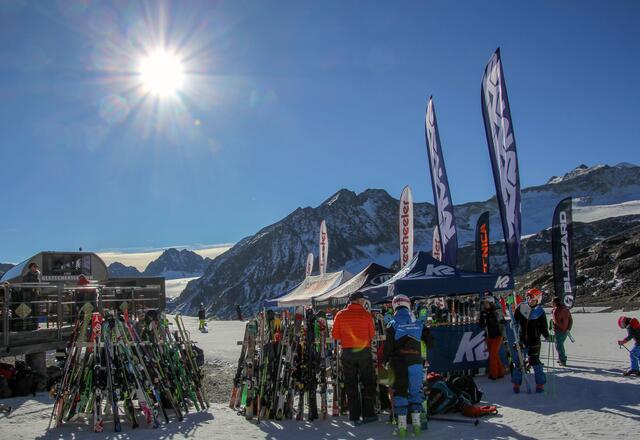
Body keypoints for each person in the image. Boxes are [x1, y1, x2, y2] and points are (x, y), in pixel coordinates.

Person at [382, 294, 430, 438]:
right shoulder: (417, 320)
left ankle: (402, 429)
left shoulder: (392, 322)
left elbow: (388, 347)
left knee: (400, 394)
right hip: (416, 363)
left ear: (394, 305)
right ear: (408, 304)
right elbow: (430, 341)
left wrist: (385, 362)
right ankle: (416, 427)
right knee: (416, 393)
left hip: (398, 365)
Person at [331, 291, 376, 425]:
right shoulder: (366, 315)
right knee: (367, 382)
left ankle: (354, 416)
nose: (363, 302)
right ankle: (368, 414)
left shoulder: (340, 314)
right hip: (364, 352)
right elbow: (372, 334)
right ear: (359, 300)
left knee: (351, 384)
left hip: (348, 352)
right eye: (362, 300)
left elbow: (335, 335)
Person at [512, 288, 550, 393]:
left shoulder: (540, 311)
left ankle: (540, 384)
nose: (529, 300)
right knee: (519, 362)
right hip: (521, 339)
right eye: (528, 298)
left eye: (532, 298)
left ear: (537, 299)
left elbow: (543, 328)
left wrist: (547, 336)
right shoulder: (522, 307)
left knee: (535, 362)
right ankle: (516, 384)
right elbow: (515, 319)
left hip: (534, 340)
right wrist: (513, 323)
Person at [479, 295, 506, 380]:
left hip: (498, 336)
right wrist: (483, 319)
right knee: (495, 355)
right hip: (489, 336)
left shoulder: (496, 311)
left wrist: (492, 319)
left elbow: (502, 322)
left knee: (492, 355)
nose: (485, 305)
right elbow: (481, 324)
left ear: (491, 303)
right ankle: (501, 372)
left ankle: (494, 374)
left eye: (487, 303)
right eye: (484, 303)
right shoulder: (483, 312)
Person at [551, 297, 573, 366]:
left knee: (559, 346)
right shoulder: (565, 308)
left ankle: (563, 360)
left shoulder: (556, 310)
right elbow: (570, 319)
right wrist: (568, 328)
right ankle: (560, 358)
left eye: (552, 302)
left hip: (559, 330)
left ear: (555, 303)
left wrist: (553, 326)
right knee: (560, 345)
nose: (551, 303)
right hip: (565, 330)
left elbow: (556, 322)